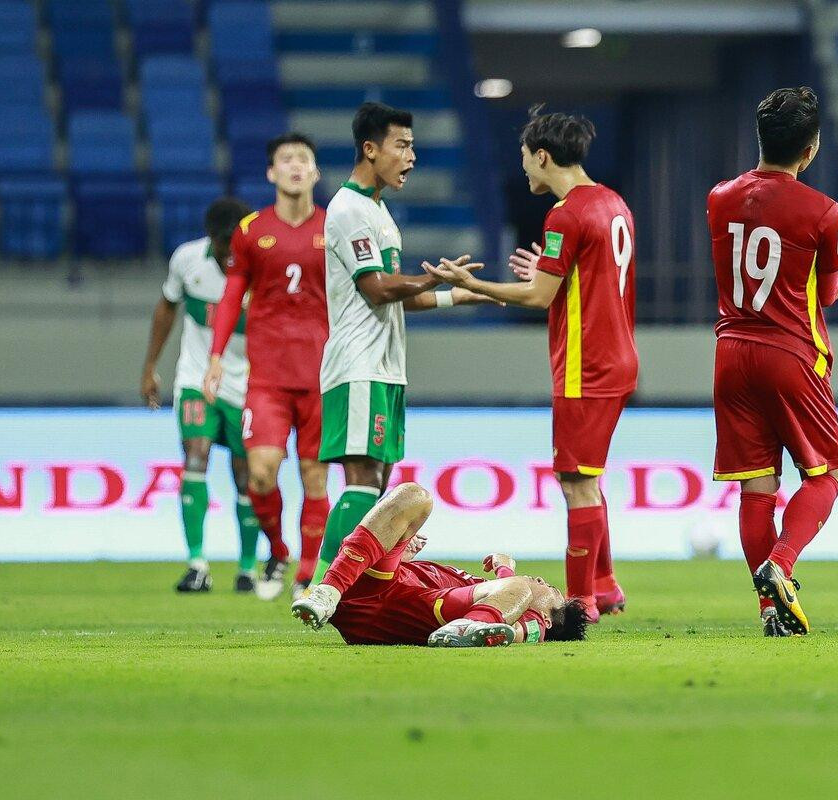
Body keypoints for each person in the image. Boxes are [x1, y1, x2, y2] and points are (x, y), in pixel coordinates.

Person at [424, 107, 637, 624]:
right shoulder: (612, 202)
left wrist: (475, 286)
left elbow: (540, 297)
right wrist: (546, 270)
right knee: (590, 476)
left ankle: (581, 600)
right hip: (618, 355)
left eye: (526, 160)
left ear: (543, 156)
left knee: (575, 481)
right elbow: (579, 278)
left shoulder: (566, 212)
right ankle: (605, 586)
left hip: (587, 365)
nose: (524, 170)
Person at [706, 87, 838, 636]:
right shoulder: (824, 211)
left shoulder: (720, 197)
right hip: (790, 354)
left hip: (731, 352)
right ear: (811, 149)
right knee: (826, 475)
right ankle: (782, 565)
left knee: (756, 487)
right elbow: (821, 295)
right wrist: (835, 284)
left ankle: (769, 612)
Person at [310, 101, 495, 588]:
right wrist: (423, 278)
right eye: (402, 146)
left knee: (381, 480)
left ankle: (350, 587)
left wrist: (460, 294)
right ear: (370, 149)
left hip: (388, 367)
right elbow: (378, 288)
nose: (411, 157)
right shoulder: (348, 209)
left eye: (413, 146)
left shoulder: (379, 212)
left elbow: (398, 298)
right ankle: (321, 586)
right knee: (363, 478)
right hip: (358, 363)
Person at [203, 133, 330, 600]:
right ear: (271, 173)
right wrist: (216, 358)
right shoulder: (252, 229)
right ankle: (278, 550)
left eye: (303, 159)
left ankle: (307, 573)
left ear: (315, 172)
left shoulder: (334, 225)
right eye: (286, 159)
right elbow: (233, 293)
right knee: (260, 471)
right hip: (268, 379)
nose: (295, 166)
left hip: (322, 375)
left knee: (315, 476)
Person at [140, 197, 263, 594]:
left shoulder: (264, 268)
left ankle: (247, 568)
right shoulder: (187, 260)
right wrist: (150, 367)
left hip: (247, 382)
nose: (230, 250)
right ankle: (197, 564)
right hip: (196, 376)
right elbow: (166, 308)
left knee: (247, 477)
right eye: (224, 242)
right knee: (195, 455)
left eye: (235, 241)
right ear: (212, 238)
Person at [292, 483, 589, 647]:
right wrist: (504, 568)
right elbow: (507, 587)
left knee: (517, 588)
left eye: (550, 588)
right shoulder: (487, 589)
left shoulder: (532, 620)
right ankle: (327, 592)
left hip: (404, 607)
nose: (541, 579)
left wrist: (513, 624)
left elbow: (527, 625)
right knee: (414, 496)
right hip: (370, 588)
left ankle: (467, 630)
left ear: (547, 618)